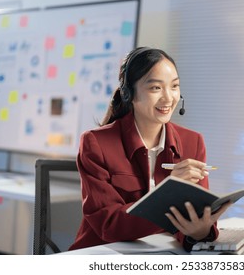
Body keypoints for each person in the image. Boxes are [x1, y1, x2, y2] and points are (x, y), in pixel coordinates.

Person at [69, 47, 230, 252]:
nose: (168, 98)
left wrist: (200, 232)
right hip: (103, 255)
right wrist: (169, 193)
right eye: (155, 88)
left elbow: (195, 218)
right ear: (130, 93)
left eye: (174, 87)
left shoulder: (193, 142)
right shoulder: (95, 143)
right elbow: (108, 225)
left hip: (161, 256)